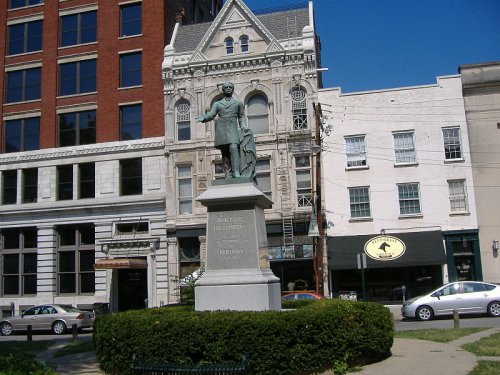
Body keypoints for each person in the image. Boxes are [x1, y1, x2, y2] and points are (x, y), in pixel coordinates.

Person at [197, 82, 256, 179]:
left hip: (232, 129)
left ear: (232, 90)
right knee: (224, 153)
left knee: (233, 148)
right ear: (223, 90)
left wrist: (243, 126)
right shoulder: (217, 104)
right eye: (226, 88)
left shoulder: (238, 103)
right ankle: (228, 174)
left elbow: (241, 117)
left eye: (230, 87)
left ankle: (236, 172)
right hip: (221, 129)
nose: (228, 89)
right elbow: (211, 115)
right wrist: (203, 118)